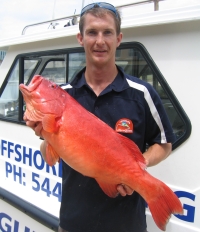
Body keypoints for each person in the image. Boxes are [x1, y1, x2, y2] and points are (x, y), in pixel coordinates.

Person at [25, 2, 176, 232]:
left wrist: (136, 168)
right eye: (92, 32)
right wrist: (46, 134)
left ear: (118, 38)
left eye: (107, 32)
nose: (99, 41)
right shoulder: (67, 94)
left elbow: (164, 144)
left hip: (127, 225)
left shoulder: (141, 93)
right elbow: (49, 156)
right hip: (74, 223)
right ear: (80, 38)